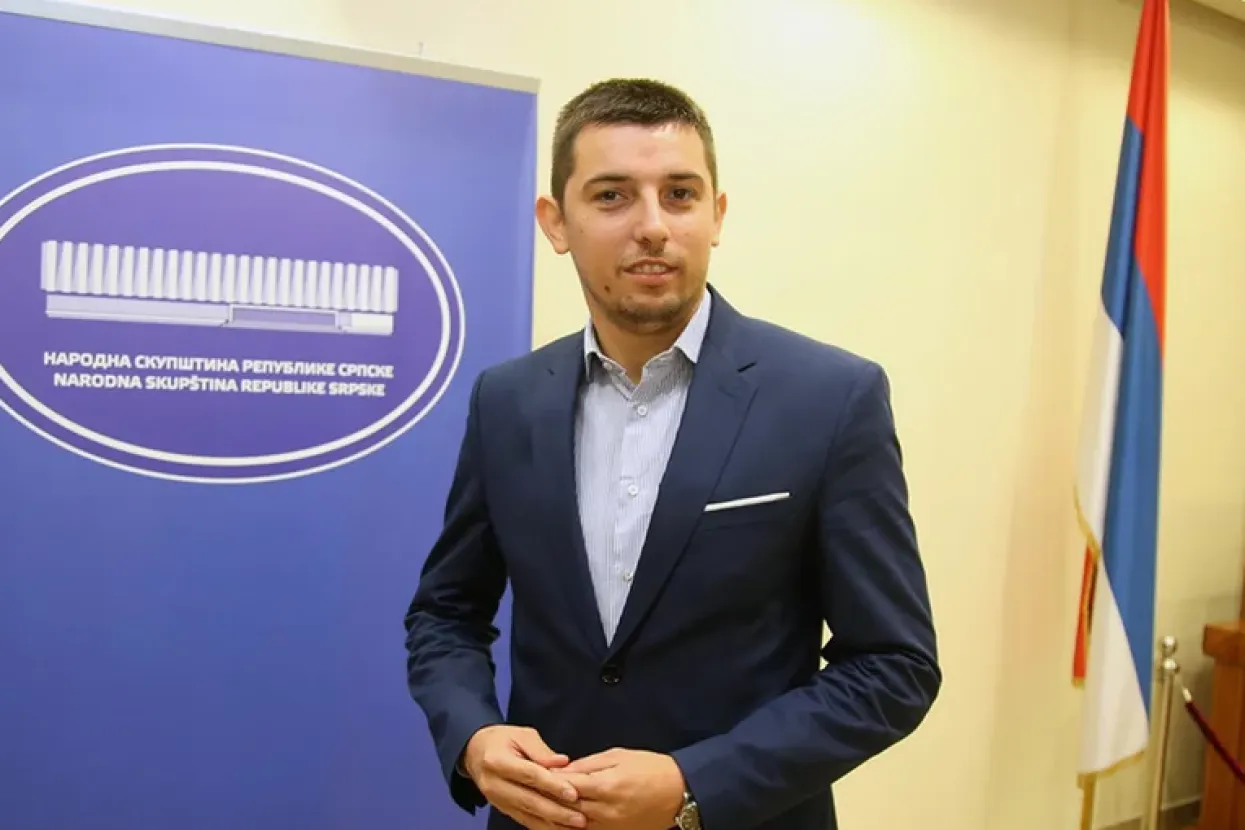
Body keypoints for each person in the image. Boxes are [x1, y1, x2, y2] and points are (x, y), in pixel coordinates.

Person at [403, 78, 941, 830]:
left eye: (680, 195)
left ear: (716, 215)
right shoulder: (507, 400)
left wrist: (697, 783)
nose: (652, 226)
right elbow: (446, 614)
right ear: (556, 223)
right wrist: (474, 737)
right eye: (613, 196)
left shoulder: (830, 397)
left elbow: (893, 666)